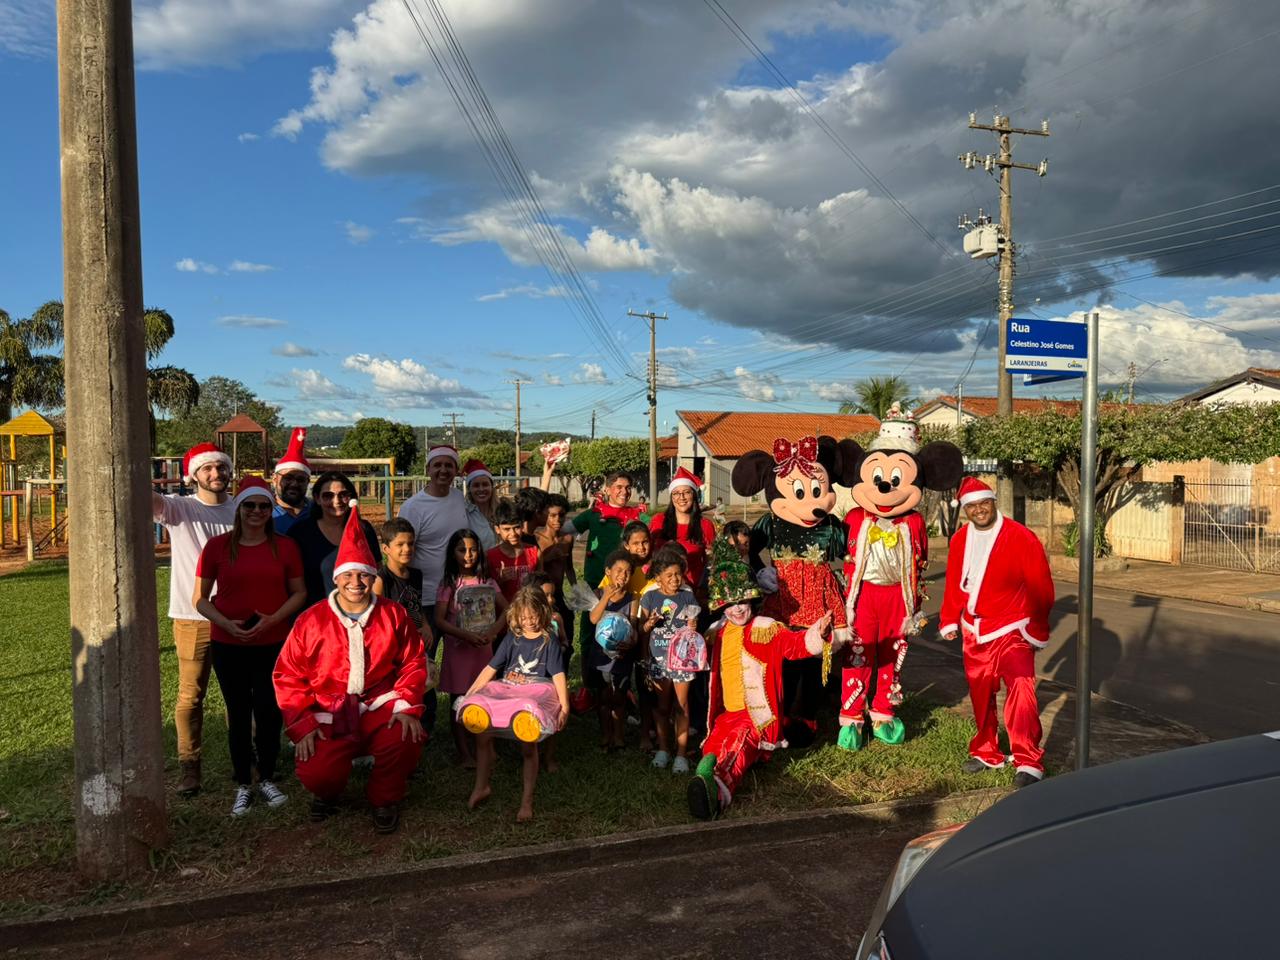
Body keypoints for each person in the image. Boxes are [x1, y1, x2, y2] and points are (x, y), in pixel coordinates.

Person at [273, 505, 428, 833]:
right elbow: (288, 675)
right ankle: (327, 791)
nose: (355, 582)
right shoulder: (311, 620)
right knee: (317, 771)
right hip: (329, 709)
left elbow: (413, 661)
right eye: (348, 575)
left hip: (379, 704)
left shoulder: (393, 614)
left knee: (406, 737)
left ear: (373, 576)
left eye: (363, 575)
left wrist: (406, 706)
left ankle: (384, 797)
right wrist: (302, 723)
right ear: (336, 578)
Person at [689, 539, 833, 819]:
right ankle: (703, 778)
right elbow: (698, 658)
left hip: (755, 716)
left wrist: (819, 632)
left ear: (752, 600)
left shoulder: (767, 628)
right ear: (722, 607)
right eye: (731, 604)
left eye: (743, 602)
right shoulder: (716, 632)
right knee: (713, 747)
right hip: (726, 714)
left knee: (738, 747)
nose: (738, 609)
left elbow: (795, 646)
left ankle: (716, 794)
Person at [193, 476, 306, 817]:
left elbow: (299, 592)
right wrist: (225, 623)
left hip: (272, 641)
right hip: (228, 642)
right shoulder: (217, 547)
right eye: (249, 505)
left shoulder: (285, 546)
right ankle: (244, 781)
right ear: (239, 508)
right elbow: (200, 599)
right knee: (239, 712)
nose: (257, 511)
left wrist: (273, 619)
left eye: (263, 506)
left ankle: (267, 776)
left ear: (270, 510)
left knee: (269, 710)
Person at [939, 477, 1055, 789]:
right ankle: (987, 751)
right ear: (965, 510)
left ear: (993, 502)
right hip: (973, 630)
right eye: (972, 506)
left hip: (1012, 627)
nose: (979, 510)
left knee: (1022, 690)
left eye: (984, 503)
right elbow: (954, 582)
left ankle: (1028, 760)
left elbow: (1041, 587)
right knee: (980, 694)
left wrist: (1036, 628)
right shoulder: (960, 538)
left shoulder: (1021, 537)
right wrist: (949, 618)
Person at [152, 441, 236, 798]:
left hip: (236, 616)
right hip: (192, 617)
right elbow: (144, 498)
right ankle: (190, 766)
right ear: (193, 475)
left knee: (239, 693)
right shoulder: (179, 509)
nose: (216, 473)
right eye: (207, 468)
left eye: (221, 467)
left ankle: (245, 760)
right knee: (191, 695)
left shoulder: (242, 509)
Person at [464, 585, 569, 822]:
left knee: (528, 743)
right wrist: (470, 694)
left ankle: (526, 801)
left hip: (534, 695)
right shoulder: (512, 637)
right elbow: (491, 668)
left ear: (543, 612)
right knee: (482, 729)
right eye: (523, 617)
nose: (529, 622)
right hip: (509, 689)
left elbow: (558, 675)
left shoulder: (549, 641)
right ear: (516, 616)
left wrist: (565, 706)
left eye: (533, 616)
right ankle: (481, 786)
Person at [435, 528, 507, 766]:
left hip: (483, 650)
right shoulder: (449, 583)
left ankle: (486, 746)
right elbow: (439, 620)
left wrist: (493, 632)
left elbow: (507, 609)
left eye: (473, 549)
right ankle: (464, 752)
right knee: (459, 698)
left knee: (486, 696)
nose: (468, 555)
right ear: (452, 553)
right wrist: (464, 635)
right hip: (458, 651)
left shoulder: (487, 581)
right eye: (462, 550)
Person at [568, 471, 642, 689]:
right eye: (619, 487)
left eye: (627, 487)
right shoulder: (593, 515)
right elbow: (564, 530)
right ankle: (588, 688)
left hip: (626, 586)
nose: (624, 491)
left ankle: (621, 687)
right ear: (607, 489)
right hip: (595, 587)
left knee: (624, 632)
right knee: (588, 634)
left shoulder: (637, 516)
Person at [638, 545, 702, 773]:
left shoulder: (688, 597)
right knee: (662, 706)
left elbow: (693, 629)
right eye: (669, 575)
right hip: (658, 660)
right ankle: (664, 749)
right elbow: (641, 630)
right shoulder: (649, 597)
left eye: (678, 574)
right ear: (658, 578)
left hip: (682, 660)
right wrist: (649, 624)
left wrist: (692, 626)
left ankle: (681, 754)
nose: (675, 579)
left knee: (682, 705)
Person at [398, 444, 469, 628]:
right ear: (428, 469)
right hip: (426, 598)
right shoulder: (413, 507)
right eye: (437, 465)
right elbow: (400, 556)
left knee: (458, 646)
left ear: (456, 470)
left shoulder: (459, 498)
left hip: (458, 594)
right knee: (425, 647)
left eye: (449, 465)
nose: (443, 470)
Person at [288, 471, 380, 606]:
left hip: (358, 611)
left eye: (343, 495)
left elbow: (377, 572)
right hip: (316, 612)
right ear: (317, 499)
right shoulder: (300, 533)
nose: (336, 501)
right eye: (328, 496)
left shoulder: (364, 530)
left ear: (351, 498)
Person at [589, 549, 640, 751]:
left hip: (622, 656)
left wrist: (631, 643)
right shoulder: (598, 594)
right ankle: (605, 734)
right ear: (607, 571)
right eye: (618, 570)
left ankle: (618, 735)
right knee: (603, 697)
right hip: (600, 656)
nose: (623, 575)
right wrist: (606, 597)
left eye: (627, 572)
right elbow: (594, 619)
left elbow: (634, 628)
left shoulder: (633, 599)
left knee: (619, 696)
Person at [649, 467, 716, 591]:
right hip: (661, 589)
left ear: (694, 495)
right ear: (671, 497)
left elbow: (712, 560)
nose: (682, 497)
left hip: (694, 590)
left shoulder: (705, 525)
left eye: (686, 492)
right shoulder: (658, 521)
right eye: (676, 493)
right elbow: (648, 552)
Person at [373, 517, 434, 651]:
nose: (407, 549)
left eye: (410, 543)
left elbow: (417, 605)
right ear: (386, 548)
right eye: (400, 544)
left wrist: (425, 626)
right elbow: (377, 620)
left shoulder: (416, 575)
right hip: (394, 647)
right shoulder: (381, 580)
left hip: (416, 644)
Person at [535, 492, 576, 644]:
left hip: (559, 593)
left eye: (561, 515)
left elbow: (569, 568)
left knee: (567, 632)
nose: (557, 519)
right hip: (542, 596)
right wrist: (549, 556)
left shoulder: (567, 539)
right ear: (545, 515)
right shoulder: (537, 539)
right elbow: (535, 569)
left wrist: (576, 589)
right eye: (552, 515)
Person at [487, 499, 541, 603]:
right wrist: (500, 581)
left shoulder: (535, 552)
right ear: (497, 529)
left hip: (528, 610)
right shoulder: (489, 556)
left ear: (522, 526)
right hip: (502, 611)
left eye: (516, 527)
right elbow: (487, 593)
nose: (513, 534)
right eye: (507, 529)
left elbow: (541, 586)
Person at [271, 427, 312, 535]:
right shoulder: (262, 512)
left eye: (301, 479)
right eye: (288, 478)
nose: (294, 484)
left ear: (308, 482)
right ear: (274, 479)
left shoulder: (318, 512)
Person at [462, 458, 498, 551]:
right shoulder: (464, 514)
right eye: (476, 485)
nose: (481, 489)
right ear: (469, 489)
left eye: (485, 484)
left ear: (492, 487)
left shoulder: (502, 511)